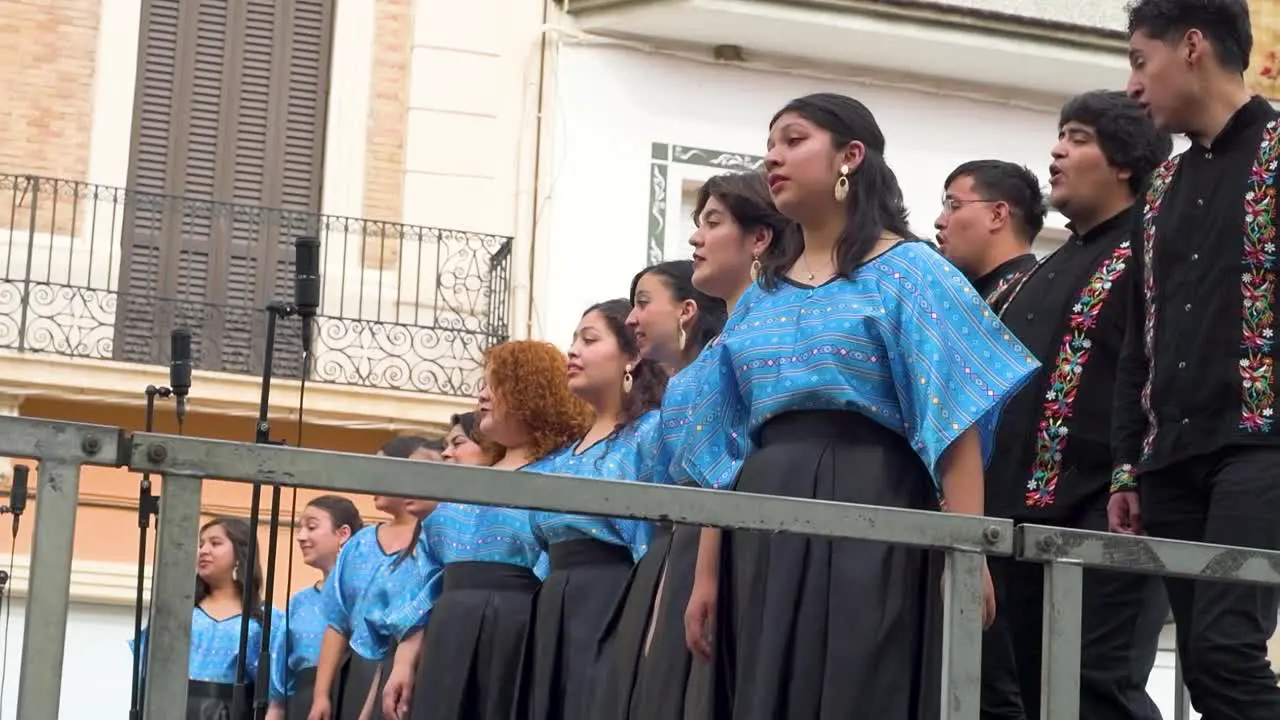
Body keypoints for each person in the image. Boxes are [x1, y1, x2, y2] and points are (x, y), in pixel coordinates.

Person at [678, 92, 1039, 719]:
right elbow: (729, 445)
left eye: (793, 141)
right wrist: (707, 572)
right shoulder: (760, 294)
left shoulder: (913, 273)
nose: (773, 158)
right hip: (762, 509)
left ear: (851, 155)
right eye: (770, 145)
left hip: (877, 497)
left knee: (862, 683)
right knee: (766, 687)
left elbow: (954, 419)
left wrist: (968, 546)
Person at [953, 94, 1172, 720]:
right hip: (1020, 522)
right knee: (1021, 694)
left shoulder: (1155, 253)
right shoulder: (1044, 270)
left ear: (1125, 162)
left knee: (1093, 689)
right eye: (1059, 136)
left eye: (1076, 138)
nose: (1056, 151)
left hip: (1110, 514)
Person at [1115, 2, 1280, 718]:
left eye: (1138, 60)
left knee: (1225, 646)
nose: (1132, 85)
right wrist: (1129, 465)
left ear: (1191, 47)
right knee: (1201, 664)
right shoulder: (1161, 191)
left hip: (1262, 446)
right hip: (1172, 459)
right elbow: (1136, 336)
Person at [597, 171, 789, 720]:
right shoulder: (716, 350)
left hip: (731, 538)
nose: (695, 238)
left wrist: (704, 572)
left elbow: (726, 467)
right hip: (686, 542)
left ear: (759, 239)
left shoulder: (768, 328)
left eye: (712, 222)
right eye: (696, 222)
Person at [378, 340, 592, 720]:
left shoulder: (564, 472)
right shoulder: (465, 485)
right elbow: (426, 579)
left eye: (494, 384)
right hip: (447, 634)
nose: (482, 395)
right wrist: (405, 660)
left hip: (520, 636)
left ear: (530, 392)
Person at [517, 299, 665, 720]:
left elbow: (653, 535)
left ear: (631, 356)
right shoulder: (564, 456)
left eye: (589, 339)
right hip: (554, 604)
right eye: (573, 340)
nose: (573, 351)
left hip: (614, 596)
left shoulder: (650, 432)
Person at [309, 437, 438, 720]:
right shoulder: (360, 543)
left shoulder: (436, 537)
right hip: (357, 669)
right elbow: (337, 622)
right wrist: (321, 695)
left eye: (381, 467)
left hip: (415, 669)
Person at [132, 517, 283, 720]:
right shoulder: (179, 610)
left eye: (215, 543)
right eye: (201, 544)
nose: (203, 550)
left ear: (240, 554)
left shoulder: (267, 619)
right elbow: (150, 672)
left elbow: (276, 691)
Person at [267, 496, 365, 720]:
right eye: (299, 528)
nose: (301, 537)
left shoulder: (366, 595)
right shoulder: (300, 602)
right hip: (303, 705)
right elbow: (279, 695)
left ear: (343, 534)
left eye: (311, 527)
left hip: (355, 698)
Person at [934, 159, 1044, 308]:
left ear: (997, 215)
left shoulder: (1033, 298)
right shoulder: (968, 296)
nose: (939, 222)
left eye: (954, 205)